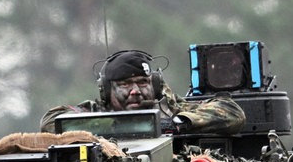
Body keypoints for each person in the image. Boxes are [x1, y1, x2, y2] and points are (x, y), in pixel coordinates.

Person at [40, 50, 246, 135]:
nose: (136, 91)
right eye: (125, 84)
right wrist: (112, 126)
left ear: (155, 84)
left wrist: (177, 124)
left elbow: (232, 111)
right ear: (107, 90)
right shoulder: (93, 111)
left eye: (142, 82)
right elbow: (51, 122)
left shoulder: (170, 109)